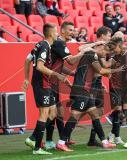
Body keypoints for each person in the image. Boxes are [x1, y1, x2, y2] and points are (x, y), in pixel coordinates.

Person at [56, 41, 125, 152]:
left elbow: (101, 70)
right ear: (98, 46)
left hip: (86, 91)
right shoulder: (91, 54)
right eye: (105, 50)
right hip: (81, 90)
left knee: (95, 115)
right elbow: (101, 70)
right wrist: (117, 69)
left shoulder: (93, 55)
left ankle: (104, 142)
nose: (106, 53)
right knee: (75, 116)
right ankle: (61, 142)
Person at [24, 23, 71, 155]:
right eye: (56, 32)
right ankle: (37, 148)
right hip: (42, 83)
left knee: (53, 112)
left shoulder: (40, 45)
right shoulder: (45, 46)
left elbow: (27, 60)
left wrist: (26, 79)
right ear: (51, 34)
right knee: (44, 114)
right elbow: (39, 66)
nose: (57, 34)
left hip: (45, 83)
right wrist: (57, 75)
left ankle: (34, 138)